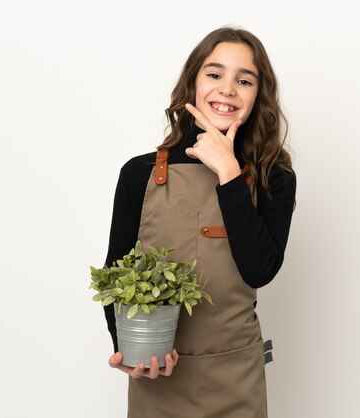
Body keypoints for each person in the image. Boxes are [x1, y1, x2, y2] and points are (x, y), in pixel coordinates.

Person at [102, 25, 297, 418]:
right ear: (193, 82)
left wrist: (229, 171)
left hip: (236, 380)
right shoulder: (139, 173)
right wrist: (128, 349)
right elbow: (114, 271)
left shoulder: (274, 176)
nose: (227, 89)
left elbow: (260, 269)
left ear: (258, 96)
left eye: (244, 80)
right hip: (157, 377)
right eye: (214, 74)